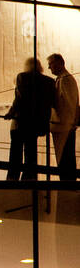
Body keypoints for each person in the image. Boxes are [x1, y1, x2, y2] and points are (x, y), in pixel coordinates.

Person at [3, 57, 55, 181]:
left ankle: (12, 179)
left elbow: (19, 99)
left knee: (15, 153)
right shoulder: (49, 81)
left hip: (20, 123)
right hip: (36, 125)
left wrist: (10, 113)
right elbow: (51, 102)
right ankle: (28, 179)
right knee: (31, 153)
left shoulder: (22, 77)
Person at [48, 53, 78, 183]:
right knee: (64, 159)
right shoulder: (63, 79)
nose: (49, 68)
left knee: (65, 159)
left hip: (64, 126)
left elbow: (70, 103)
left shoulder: (65, 79)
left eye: (51, 64)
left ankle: (67, 185)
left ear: (59, 63)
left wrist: (71, 123)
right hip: (63, 125)